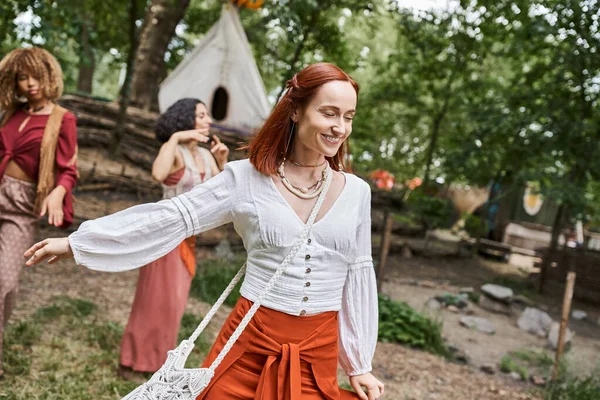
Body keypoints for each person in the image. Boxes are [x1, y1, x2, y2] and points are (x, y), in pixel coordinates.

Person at [25, 62, 385, 400]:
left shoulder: (357, 192)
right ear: (295, 110)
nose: (341, 127)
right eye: (329, 113)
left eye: (348, 116)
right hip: (250, 341)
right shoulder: (245, 178)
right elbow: (174, 215)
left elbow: (357, 272)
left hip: (316, 353)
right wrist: (78, 242)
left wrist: (358, 364)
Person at [118, 98, 229, 379]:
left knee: (174, 302)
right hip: (165, 232)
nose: (207, 120)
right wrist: (176, 137)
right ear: (185, 119)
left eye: (207, 116)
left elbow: (221, 190)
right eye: (201, 115)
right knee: (153, 298)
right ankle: (133, 361)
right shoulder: (174, 150)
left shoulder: (204, 155)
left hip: (188, 235)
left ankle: (156, 363)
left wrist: (222, 161)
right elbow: (158, 174)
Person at [0, 47, 78, 378]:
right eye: (22, 77)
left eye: (35, 75)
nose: (30, 83)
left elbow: (68, 169)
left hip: (20, 206)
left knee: (5, 280)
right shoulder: (10, 113)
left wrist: (59, 192)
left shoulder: (63, 118)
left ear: (49, 76)